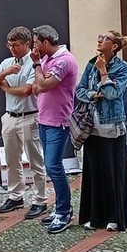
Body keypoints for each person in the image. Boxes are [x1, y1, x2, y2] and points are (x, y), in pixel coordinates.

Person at [0, 26, 49, 218]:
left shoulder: (34, 63)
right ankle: (15, 196)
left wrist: (5, 88)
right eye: (10, 45)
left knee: (35, 160)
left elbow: (26, 91)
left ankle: (40, 199)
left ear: (26, 44)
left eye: (16, 45)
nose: (12, 48)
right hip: (10, 116)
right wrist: (4, 74)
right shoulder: (7, 63)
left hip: (29, 116)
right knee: (12, 160)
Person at [75, 31, 127, 232]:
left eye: (105, 38)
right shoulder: (91, 63)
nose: (100, 40)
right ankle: (95, 217)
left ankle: (114, 217)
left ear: (114, 46)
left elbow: (112, 93)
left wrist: (103, 72)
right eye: (99, 37)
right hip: (91, 126)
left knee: (111, 172)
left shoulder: (123, 67)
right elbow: (80, 90)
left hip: (112, 127)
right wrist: (93, 94)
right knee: (94, 171)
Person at [28, 25, 80, 234]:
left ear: (46, 42)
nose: (34, 48)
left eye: (36, 43)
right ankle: (60, 208)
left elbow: (43, 86)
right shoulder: (47, 59)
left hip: (58, 122)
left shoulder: (64, 61)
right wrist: (40, 76)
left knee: (54, 167)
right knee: (51, 166)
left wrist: (36, 66)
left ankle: (64, 211)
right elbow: (36, 86)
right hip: (44, 119)